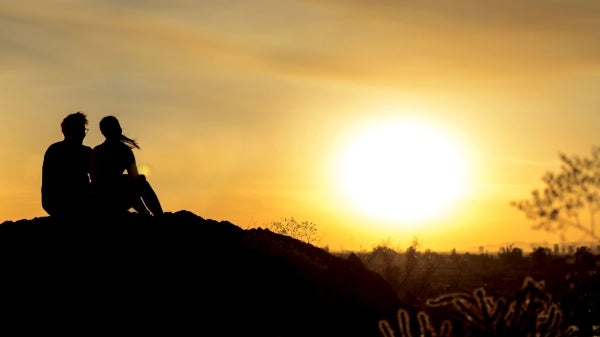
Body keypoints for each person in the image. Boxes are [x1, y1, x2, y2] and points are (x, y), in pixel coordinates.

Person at [90, 115, 163, 216]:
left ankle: (158, 215)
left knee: (140, 180)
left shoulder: (124, 151)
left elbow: (135, 181)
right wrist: (143, 211)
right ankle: (159, 215)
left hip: (118, 196)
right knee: (138, 181)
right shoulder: (98, 151)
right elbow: (97, 181)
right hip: (103, 198)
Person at [41, 112, 92, 218]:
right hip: (67, 204)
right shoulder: (84, 152)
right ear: (70, 131)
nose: (83, 134)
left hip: (53, 204)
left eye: (84, 131)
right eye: (81, 130)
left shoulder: (53, 149)